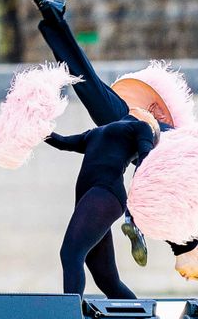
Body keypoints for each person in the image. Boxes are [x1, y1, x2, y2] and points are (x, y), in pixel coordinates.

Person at [22, 0, 198, 281]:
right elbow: (187, 171)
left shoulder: (176, 235)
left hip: (131, 136)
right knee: (87, 87)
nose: (191, 279)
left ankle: (53, 15)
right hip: (150, 134)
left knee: (87, 85)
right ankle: (53, 16)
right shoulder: (197, 224)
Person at [45, 109, 160, 298]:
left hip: (106, 195)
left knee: (70, 254)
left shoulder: (142, 127)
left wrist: (137, 203)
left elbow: (146, 160)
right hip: (94, 201)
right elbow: (62, 142)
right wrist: (36, 128)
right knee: (107, 280)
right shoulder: (96, 133)